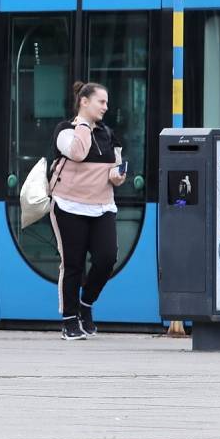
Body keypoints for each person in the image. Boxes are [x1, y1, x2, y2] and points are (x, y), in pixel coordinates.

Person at [50, 80, 127, 341]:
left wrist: (118, 176)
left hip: (102, 205)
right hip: (68, 205)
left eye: (106, 102)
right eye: (101, 102)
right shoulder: (65, 131)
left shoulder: (108, 134)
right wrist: (83, 123)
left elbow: (116, 167)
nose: (106, 107)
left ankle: (86, 303)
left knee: (107, 258)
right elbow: (78, 153)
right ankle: (69, 319)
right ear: (84, 101)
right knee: (72, 264)